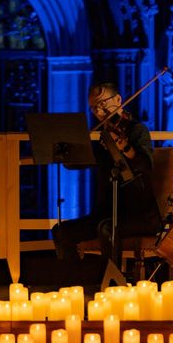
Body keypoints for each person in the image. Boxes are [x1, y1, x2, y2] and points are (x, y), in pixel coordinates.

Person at [52, 82, 162, 262]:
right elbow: (74, 165)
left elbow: (145, 166)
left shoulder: (137, 130)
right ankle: (74, 280)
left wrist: (125, 147)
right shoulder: (102, 138)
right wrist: (66, 150)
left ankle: (113, 281)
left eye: (103, 104)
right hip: (106, 213)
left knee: (107, 228)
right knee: (61, 231)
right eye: (94, 108)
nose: (99, 111)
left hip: (140, 215)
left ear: (118, 99)